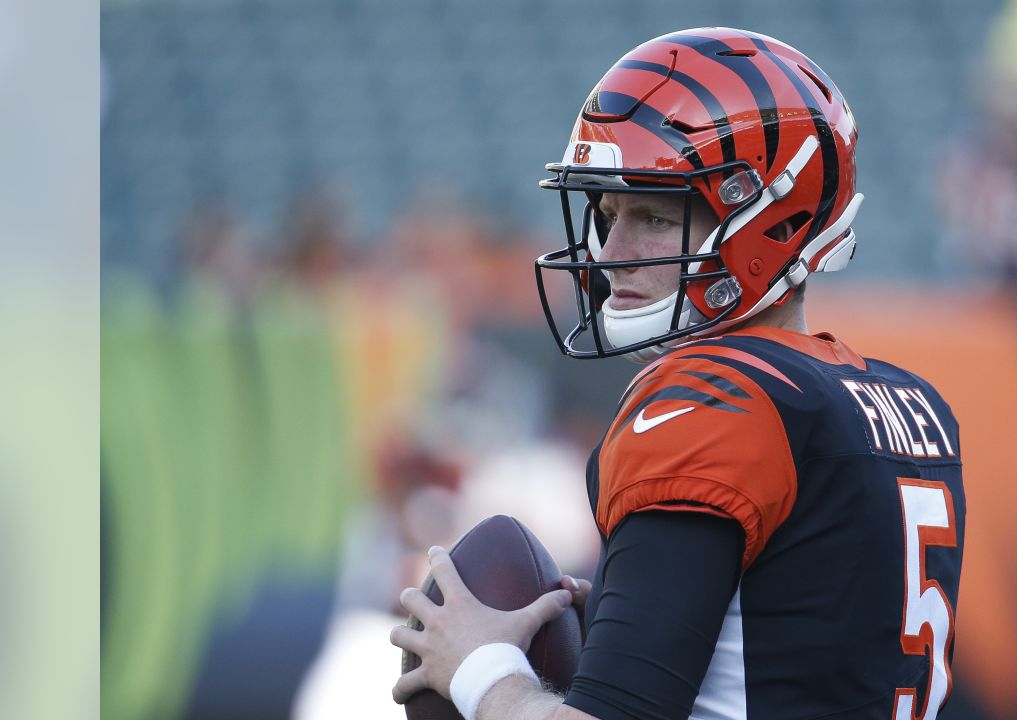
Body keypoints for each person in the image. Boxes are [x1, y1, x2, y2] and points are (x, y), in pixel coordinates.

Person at [390, 27, 966, 720]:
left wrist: (484, 672)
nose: (613, 253)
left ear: (771, 220)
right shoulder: (909, 404)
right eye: (608, 214)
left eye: (656, 216)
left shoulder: (711, 400)